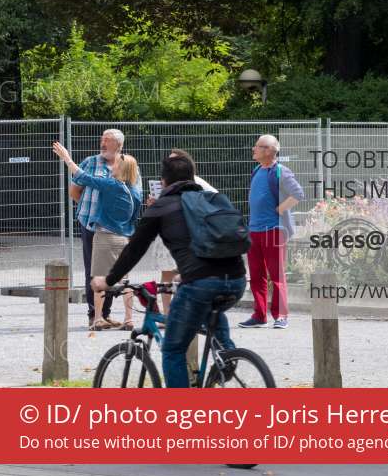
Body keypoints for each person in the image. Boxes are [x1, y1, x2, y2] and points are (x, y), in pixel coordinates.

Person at [92, 151, 246, 388]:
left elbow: (134, 249)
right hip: (236, 279)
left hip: (200, 283)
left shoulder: (162, 206)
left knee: (173, 350)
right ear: (192, 176)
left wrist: (109, 280)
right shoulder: (211, 199)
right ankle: (226, 355)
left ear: (163, 181)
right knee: (210, 309)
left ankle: (179, 408)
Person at [53, 140, 142, 329]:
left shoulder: (111, 185)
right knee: (125, 280)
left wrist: (66, 158)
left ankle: (99, 318)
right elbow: (134, 217)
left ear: (122, 168)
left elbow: (83, 177)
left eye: (116, 164)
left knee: (99, 278)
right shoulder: (135, 191)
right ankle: (129, 319)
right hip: (124, 239)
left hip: (105, 237)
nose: (113, 166)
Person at [139, 148, 218, 316]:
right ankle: (168, 314)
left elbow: (213, 197)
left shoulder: (195, 181)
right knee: (167, 274)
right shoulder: (166, 182)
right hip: (166, 232)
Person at [240, 134, 303, 330]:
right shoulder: (257, 170)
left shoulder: (281, 172)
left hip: (274, 230)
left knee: (277, 275)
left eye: (257, 146)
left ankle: (281, 316)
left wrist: (279, 209)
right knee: (256, 275)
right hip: (254, 230)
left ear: (268, 150)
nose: (253, 149)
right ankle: (259, 316)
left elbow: (298, 194)